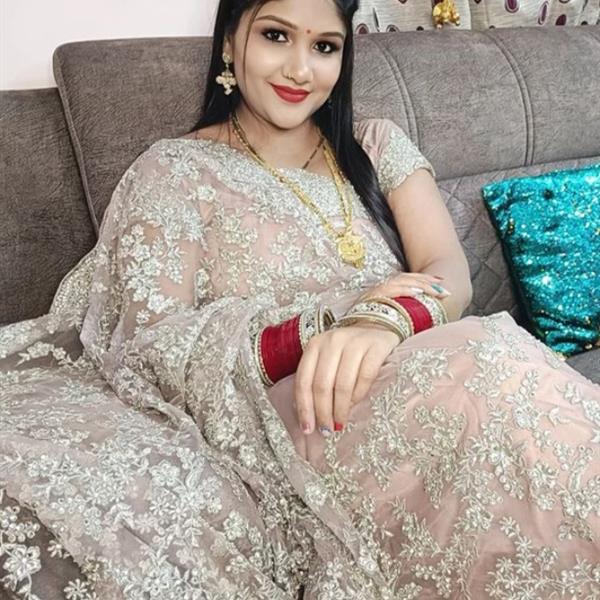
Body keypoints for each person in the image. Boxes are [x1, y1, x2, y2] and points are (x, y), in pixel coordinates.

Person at [1, 0, 598, 597]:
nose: (300, 69)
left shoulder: (374, 144)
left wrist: (379, 320)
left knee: (505, 371)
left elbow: (450, 273)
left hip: (433, 358)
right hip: (309, 412)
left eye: (324, 46)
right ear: (229, 42)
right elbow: (151, 346)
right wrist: (318, 328)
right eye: (276, 36)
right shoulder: (174, 170)